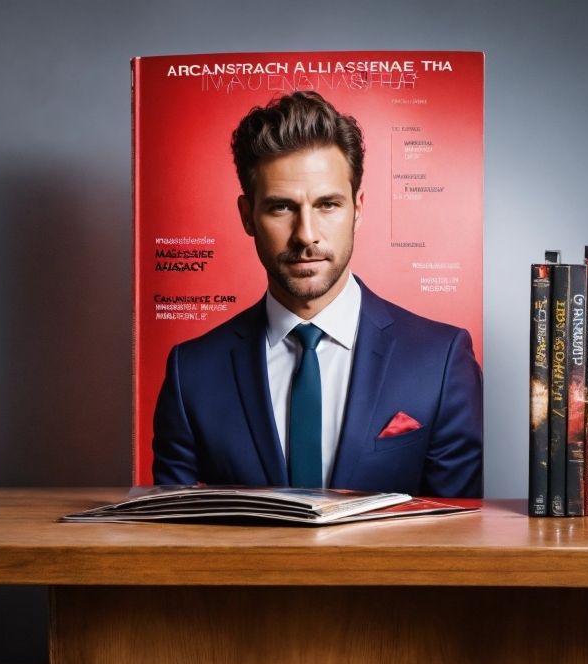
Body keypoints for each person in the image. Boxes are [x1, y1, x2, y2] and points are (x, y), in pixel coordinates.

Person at [153, 91, 482, 496]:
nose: (306, 234)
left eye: (327, 205)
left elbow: (458, 534)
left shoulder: (441, 360)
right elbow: (170, 536)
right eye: (281, 207)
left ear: (358, 209)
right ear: (247, 216)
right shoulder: (193, 373)